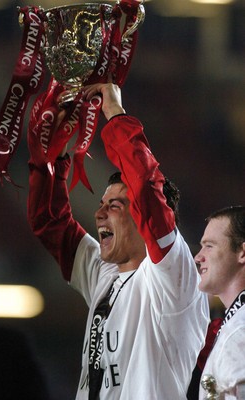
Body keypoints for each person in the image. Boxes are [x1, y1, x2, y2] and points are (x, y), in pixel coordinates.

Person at [27, 83, 209, 399]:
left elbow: (145, 189)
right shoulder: (106, 274)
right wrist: (54, 152)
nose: (99, 214)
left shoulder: (173, 281)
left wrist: (113, 113)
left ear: (140, 216)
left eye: (115, 206)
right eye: (102, 204)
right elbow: (49, 220)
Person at [195, 206, 245, 399]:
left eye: (209, 245)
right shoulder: (235, 324)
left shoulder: (240, 331)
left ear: (242, 253)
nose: (199, 257)